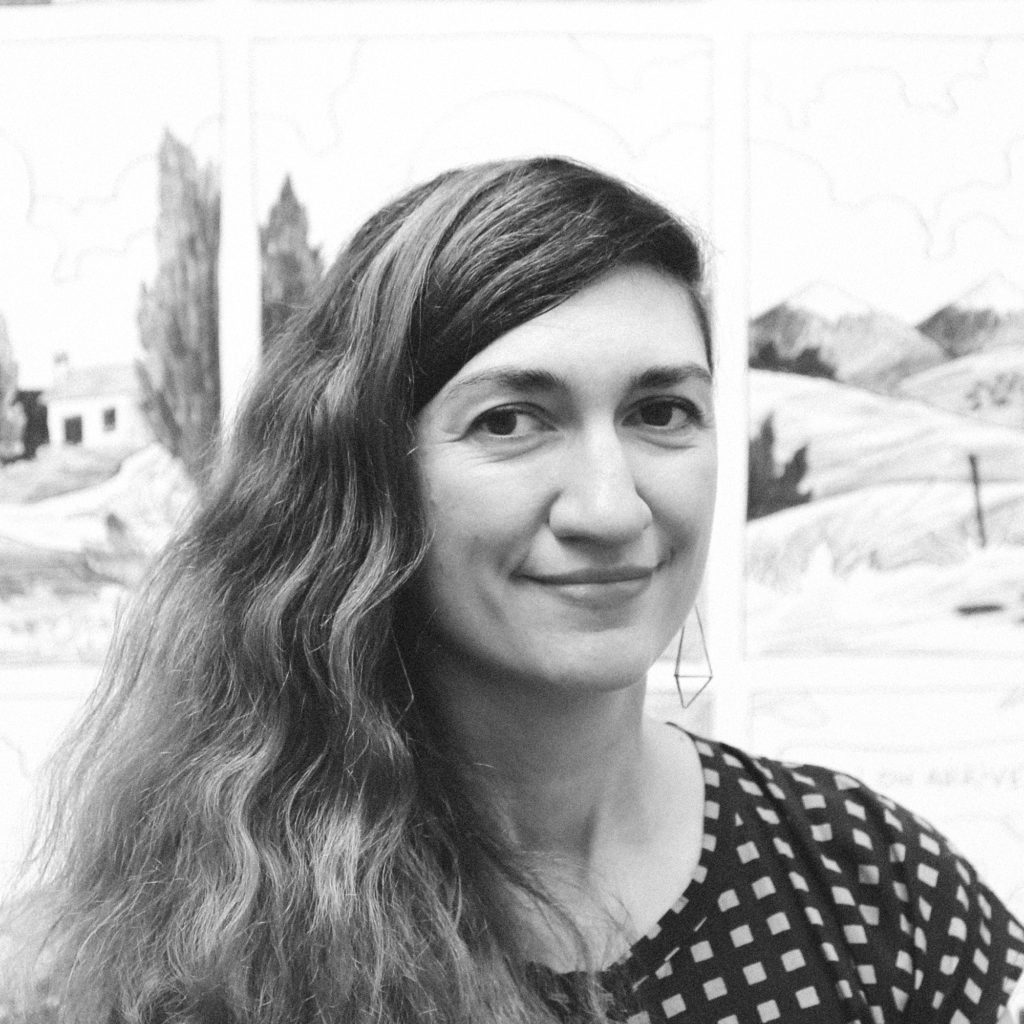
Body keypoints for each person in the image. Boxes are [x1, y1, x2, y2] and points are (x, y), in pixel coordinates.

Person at [12, 157, 1024, 1024]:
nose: (610, 507)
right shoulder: (172, 947)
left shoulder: (868, 885)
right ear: (368, 475)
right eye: (509, 420)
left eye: (662, 410)